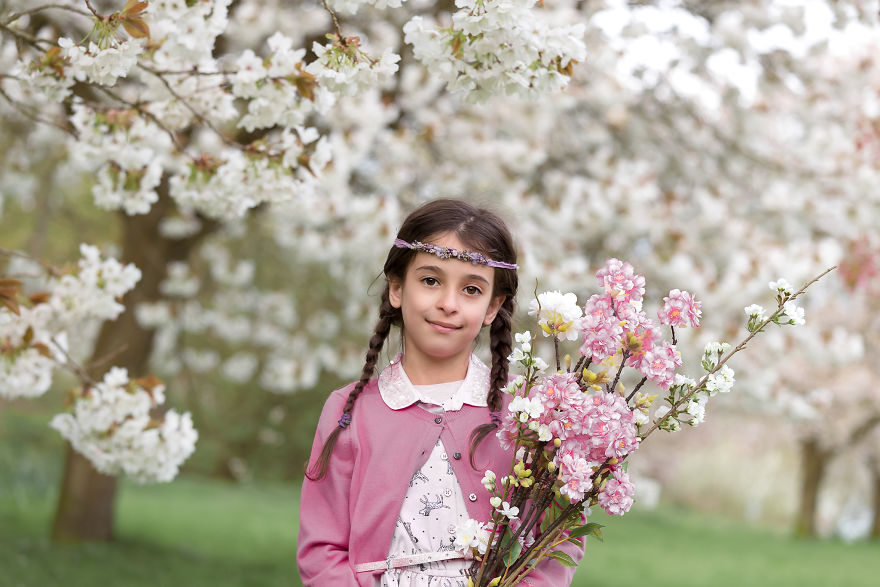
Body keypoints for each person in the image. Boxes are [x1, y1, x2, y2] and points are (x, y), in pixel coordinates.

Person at [297, 199, 583, 586]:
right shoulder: (351, 410)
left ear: (492, 307)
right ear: (397, 288)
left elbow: (557, 535)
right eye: (431, 281)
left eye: (470, 289)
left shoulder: (527, 417)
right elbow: (322, 549)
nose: (448, 304)